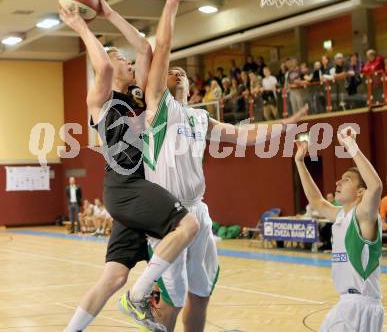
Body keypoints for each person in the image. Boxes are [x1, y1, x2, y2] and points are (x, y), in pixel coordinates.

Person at [126, 54, 308, 331]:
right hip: (167, 214)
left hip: (197, 211)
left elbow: (241, 136)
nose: (178, 73)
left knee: (201, 294)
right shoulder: (158, 111)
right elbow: (158, 50)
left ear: (191, 89)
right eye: (170, 72)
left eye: (182, 73)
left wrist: (284, 126)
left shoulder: (201, 117)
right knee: (170, 301)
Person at [62, 0, 199, 332]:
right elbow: (104, 67)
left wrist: (109, 12)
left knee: (113, 277)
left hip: (137, 192)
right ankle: (140, 297)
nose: (124, 59)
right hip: (126, 188)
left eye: (124, 57)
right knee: (188, 225)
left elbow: (146, 47)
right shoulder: (102, 101)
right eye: (118, 58)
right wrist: (80, 25)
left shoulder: (139, 96)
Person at [295, 127, 384, 331]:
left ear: (361, 191)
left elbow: (376, 186)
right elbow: (317, 202)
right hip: (352, 305)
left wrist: (351, 145)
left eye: (346, 180)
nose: (338, 182)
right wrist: (300, 162)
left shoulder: (363, 216)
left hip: (358, 306)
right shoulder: (342, 215)